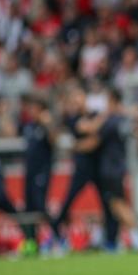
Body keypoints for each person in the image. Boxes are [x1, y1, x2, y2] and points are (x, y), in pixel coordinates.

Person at [78, 88, 138, 251]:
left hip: (110, 168)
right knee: (114, 205)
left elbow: (93, 137)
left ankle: (137, 238)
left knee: (118, 204)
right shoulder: (123, 120)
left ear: (112, 101)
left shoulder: (109, 121)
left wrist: (76, 146)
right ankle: (121, 238)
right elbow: (137, 132)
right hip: (119, 166)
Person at [50, 86, 119, 251]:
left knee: (107, 204)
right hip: (82, 168)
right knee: (68, 201)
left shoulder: (95, 115)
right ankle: (57, 233)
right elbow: (90, 131)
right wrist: (106, 115)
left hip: (98, 168)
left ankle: (111, 241)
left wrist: (81, 145)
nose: (77, 101)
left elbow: (94, 140)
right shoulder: (74, 119)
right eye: (74, 99)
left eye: (79, 97)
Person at [20, 94, 56, 252]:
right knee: (29, 209)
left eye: (34, 109)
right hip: (29, 172)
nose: (31, 111)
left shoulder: (45, 127)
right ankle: (31, 242)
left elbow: (55, 140)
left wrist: (49, 124)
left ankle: (55, 238)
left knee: (41, 207)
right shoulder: (28, 127)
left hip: (42, 172)